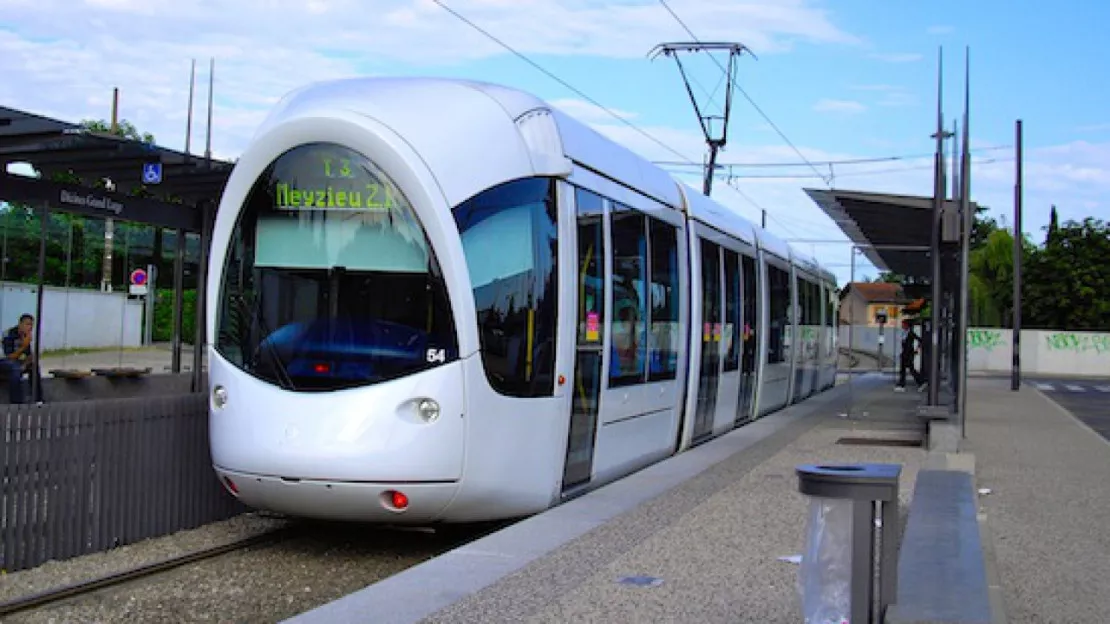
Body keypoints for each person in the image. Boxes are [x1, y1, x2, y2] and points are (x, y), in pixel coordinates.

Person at [2, 313, 44, 404]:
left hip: (16, 362)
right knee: (15, 368)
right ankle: (16, 403)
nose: (30, 328)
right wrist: (24, 345)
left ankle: (38, 399)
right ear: (20, 324)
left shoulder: (25, 336)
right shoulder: (9, 334)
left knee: (34, 367)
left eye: (31, 325)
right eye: (27, 324)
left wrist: (26, 363)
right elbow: (9, 357)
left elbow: (28, 355)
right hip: (3, 361)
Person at [895, 318, 926, 392]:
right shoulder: (904, 333)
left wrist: (916, 349)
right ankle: (902, 384)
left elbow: (920, 340)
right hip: (904, 353)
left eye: (903, 324)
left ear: (907, 325)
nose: (902, 325)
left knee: (910, 369)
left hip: (908, 354)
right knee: (904, 369)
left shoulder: (910, 333)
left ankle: (921, 381)